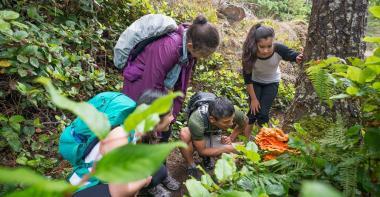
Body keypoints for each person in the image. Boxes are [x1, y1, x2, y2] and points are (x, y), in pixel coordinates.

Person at [122, 15, 220, 143]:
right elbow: (151, 85)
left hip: (161, 90)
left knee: (164, 132)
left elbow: (181, 85)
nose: (204, 58)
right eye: (204, 54)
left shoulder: (188, 51)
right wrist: (156, 123)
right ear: (191, 46)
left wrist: (172, 116)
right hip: (140, 87)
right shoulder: (169, 47)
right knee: (140, 134)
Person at [72, 90, 177, 197]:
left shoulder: (136, 128)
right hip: (87, 185)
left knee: (157, 171)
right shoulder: (121, 137)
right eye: (169, 114)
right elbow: (118, 193)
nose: (172, 118)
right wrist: (144, 181)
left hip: (107, 178)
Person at [241, 24, 303, 135]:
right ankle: (245, 140)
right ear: (256, 44)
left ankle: (264, 142)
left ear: (273, 42)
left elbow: (291, 55)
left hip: (272, 82)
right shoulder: (250, 54)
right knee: (252, 112)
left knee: (263, 114)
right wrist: (254, 99)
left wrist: (298, 57)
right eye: (262, 47)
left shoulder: (279, 49)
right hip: (255, 82)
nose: (266, 50)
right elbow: (248, 80)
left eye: (269, 46)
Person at [179, 96, 249, 179]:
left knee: (229, 151)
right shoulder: (196, 121)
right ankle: (192, 165)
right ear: (212, 119)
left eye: (232, 119)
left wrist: (230, 138)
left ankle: (208, 157)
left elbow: (245, 123)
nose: (231, 124)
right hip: (198, 132)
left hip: (214, 131)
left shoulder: (232, 111)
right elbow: (201, 151)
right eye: (226, 122)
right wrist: (227, 148)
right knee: (184, 134)